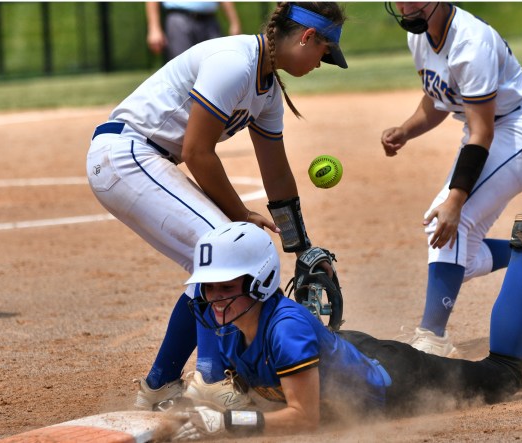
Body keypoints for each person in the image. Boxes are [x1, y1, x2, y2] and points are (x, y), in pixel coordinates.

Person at [86, 2, 348, 411]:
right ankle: (209, 381)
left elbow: (276, 177)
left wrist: (302, 247)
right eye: (324, 53)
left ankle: (160, 384)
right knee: (223, 247)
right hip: (125, 154)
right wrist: (240, 215)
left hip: (143, 159)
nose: (321, 62)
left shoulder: (268, 91)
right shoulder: (235, 63)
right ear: (307, 37)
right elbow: (197, 151)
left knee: (217, 254)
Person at [172, 213, 522, 437]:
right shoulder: (225, 321)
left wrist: (228, 423)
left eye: (226, 287)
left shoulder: (284, 330)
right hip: (348, 355)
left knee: (503, 376)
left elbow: (303, 419)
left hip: (395, 379)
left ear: (259, 280)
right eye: (209, 289)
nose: (215, 300)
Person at [380, 2, 522, 357]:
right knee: (455, 253)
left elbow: (481, 132)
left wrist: (455, 199)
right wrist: (406, 129)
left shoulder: (471, 42)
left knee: (448, 219)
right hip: (494, 131)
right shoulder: (419, 34)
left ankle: (433, 337)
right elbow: (438, 97)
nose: (404, 5)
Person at [145, 2, 242, 61]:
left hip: (210, 22)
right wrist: (154, 28)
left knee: (217, 65)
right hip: (179, 19)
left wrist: (234, 22)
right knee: (181, 68)